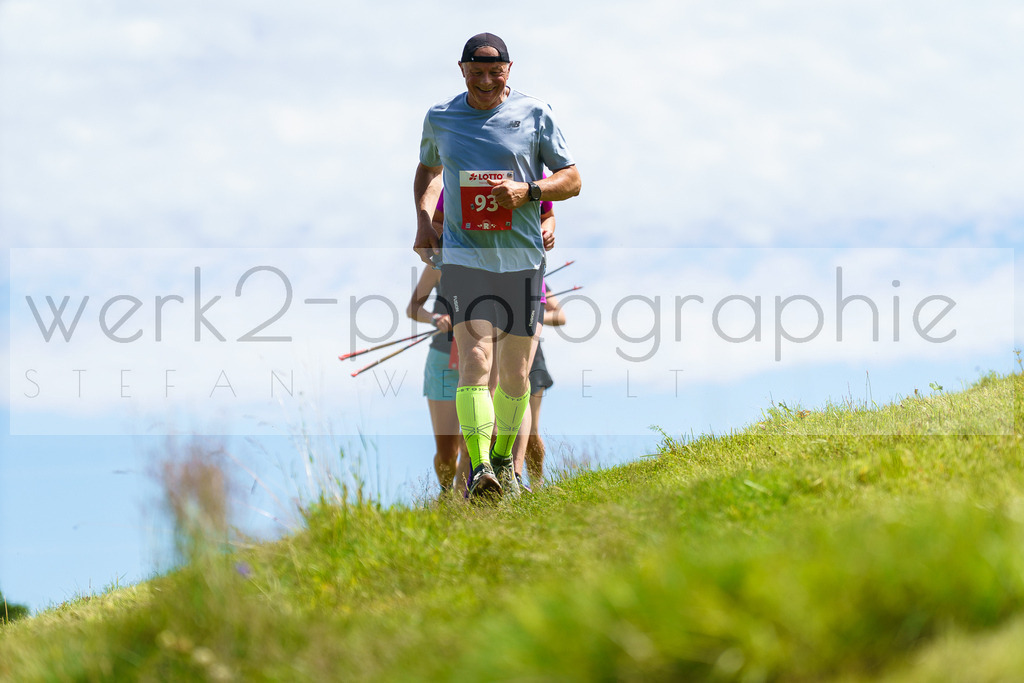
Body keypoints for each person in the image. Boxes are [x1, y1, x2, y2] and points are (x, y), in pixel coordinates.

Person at [413, 32, 581, 498]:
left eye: (495, 72)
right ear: (462, 70)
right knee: (475, 362)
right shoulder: (441, 118)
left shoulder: (535, 114)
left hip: (523, 262)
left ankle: (504, 460)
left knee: (515, 375)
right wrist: (425, 221)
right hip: (466, 259)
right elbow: (427, 172)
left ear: (509, 70)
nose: (486, 81)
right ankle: (480, 467)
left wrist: (530, 194)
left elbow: (572, 179)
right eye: (477, 73)